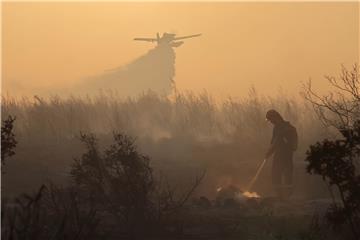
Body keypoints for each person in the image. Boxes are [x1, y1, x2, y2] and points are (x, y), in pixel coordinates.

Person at [265, 109, 298, 200]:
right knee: (275, 175)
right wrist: (269, 153)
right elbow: (274, 143)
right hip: (278, 156)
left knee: (287, 176)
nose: (271, 122)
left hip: (286, 156)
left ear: (275, 117)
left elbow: (294, 146)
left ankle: (288, 196)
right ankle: (279, 196)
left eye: (271, 119)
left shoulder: (289, 129)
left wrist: (284, 140)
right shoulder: (276, 128)